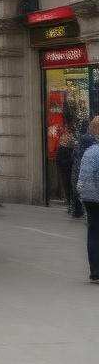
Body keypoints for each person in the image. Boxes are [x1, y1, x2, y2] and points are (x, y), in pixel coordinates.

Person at [76, 116, 99, 283]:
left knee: (93, 231)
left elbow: (81, 176)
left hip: (88, 197)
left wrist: (81, 193)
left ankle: (95, 271)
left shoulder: (89, 151)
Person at [55, 126, 80, 215]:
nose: (67, 135)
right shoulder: (62, 146)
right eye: (66, 134)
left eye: (69, 133)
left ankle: (73, 206)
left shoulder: (74, 144)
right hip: (65, 169)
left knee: (72, 187)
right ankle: (70, 204)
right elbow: (58, 159)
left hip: (72, 169)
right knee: (67, 187)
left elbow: (75, 158)